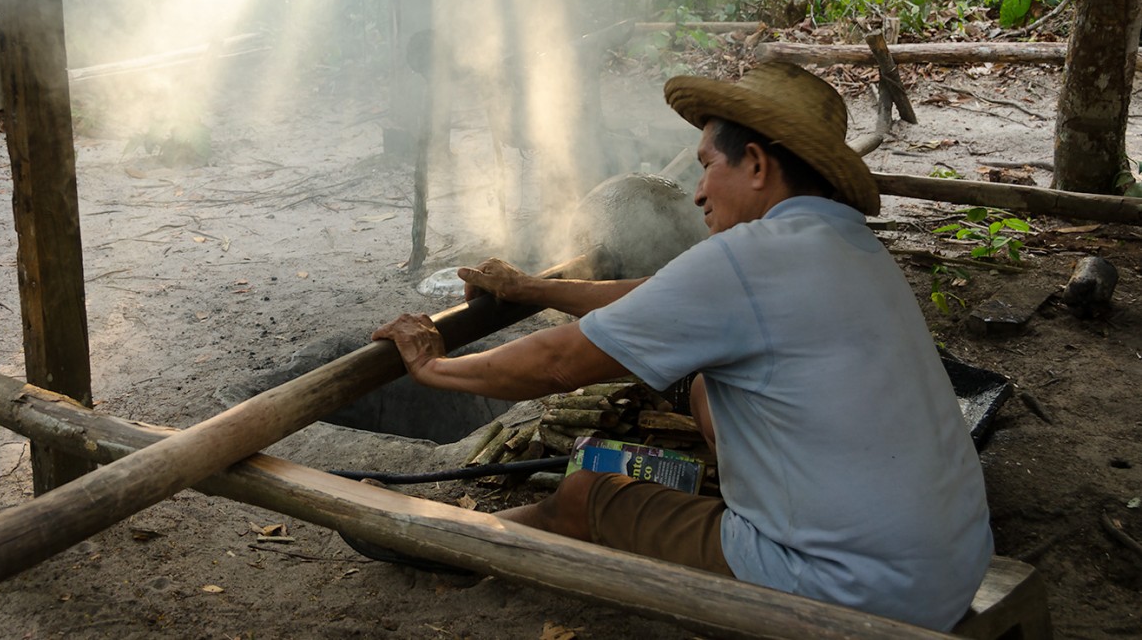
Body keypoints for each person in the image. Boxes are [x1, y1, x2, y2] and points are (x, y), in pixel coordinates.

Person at [372, 62, 994, 631]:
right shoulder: (851, 247)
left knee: (589, 494)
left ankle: (449, 543)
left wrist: (437, 368)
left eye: (706, 165)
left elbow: (558, 363)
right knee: (702, 388)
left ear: (755, 164)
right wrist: (532, 286)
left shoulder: (748, 259)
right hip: (951, 563)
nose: (697, 192)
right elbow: (655, 293)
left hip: (852, 592)